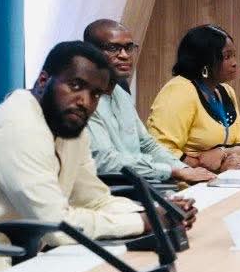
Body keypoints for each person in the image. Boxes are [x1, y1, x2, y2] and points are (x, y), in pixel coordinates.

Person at [0, 42, 184, 264]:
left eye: (95, 94)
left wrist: (157, 211)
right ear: (43, 81)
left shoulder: (69, 127)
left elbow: (94, 200)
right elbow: (55, 227)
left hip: (14, 255)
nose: (85, 101)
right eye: (76, 86)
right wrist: (143, 222)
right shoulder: (18, 126)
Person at [83, 19, 215, 185]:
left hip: (141, 182)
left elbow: (147, 145)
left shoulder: (120, 93)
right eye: (113, 48)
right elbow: (105, 161)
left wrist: (185, 169)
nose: (124, 55)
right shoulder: (82, 99)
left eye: (129, 48)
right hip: (110, 189)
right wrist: (173, 171)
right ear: (89, 53)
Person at [146, 24, 240, 173]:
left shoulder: (226, 91)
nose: (234, 63)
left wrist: (223, 153)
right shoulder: (179, 91)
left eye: (234, 55)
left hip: (219, 179)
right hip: (182, 181)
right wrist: (204, 164)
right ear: (205, 62)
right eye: (226, 57)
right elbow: (161, 149)